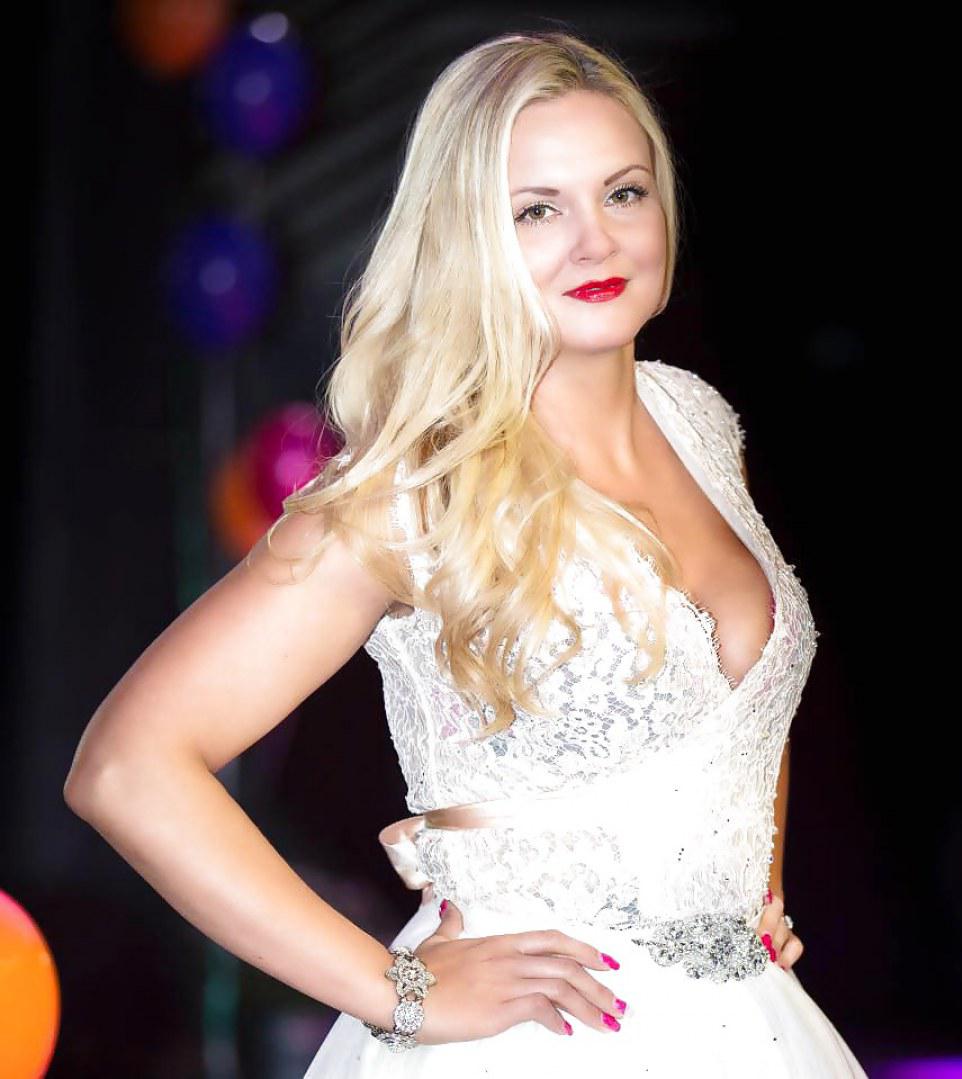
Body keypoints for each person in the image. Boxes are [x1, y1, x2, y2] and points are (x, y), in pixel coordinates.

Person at [64, 29, 868, 1077]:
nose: (596, 241)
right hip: (537, 1044)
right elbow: (126, 767)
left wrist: (748, 887)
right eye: (537, 210)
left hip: (750, 1027)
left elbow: (739, 701)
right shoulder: (422, 484)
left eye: (623, 193)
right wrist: (397, 991)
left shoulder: (699, 422)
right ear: (467, 238)